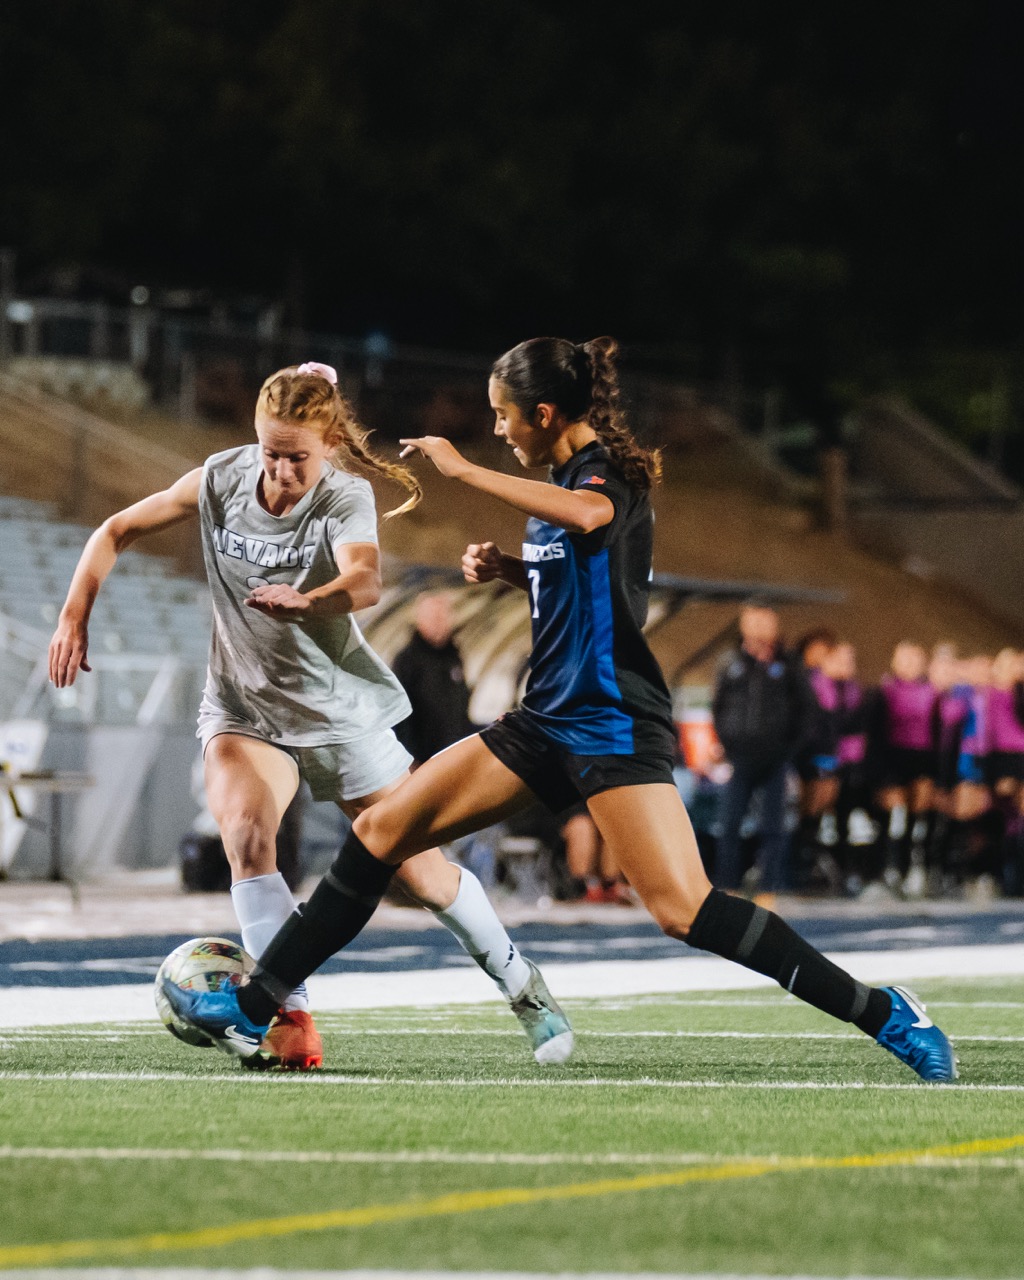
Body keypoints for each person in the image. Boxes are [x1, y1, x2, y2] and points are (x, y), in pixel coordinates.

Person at [164, 335, 956, 1083]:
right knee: (380, 833)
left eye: (504, 415)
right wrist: (511, 569)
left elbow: (591, 521)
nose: (497, 429)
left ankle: (886, 1013)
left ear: (545, 414)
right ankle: (259, 1002)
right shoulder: (552, 498)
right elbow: (585, 592)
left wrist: (463, 471)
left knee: (685, 910)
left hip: (612, 721)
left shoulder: (603, 476)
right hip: (543, 719)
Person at [48, 360, 572, 1070]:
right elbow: (115, 530)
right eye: (271, 452)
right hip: (244, 707)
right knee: (245, 833)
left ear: (327, 444)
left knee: (420, 876)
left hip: (337, 712)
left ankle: (521, 985)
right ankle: (289, 1021)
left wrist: (309, 599)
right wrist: (74, 615)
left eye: (297, 456)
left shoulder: (343, 496)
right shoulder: (220, 479)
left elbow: (364, 581)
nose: (282, 470)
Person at [711, 605, 814, 902]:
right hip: (740, 757)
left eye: (764, 622)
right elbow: (719, 706)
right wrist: (728, 742)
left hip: (775, 757)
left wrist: (789, 748)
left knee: (773, 826)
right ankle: (727, 886)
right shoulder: (731, 662)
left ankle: (770, 887)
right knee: (729, 823)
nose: (759, 629)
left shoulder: (789, 664)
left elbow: (806, 710)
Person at [391, 591, 474, 766]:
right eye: (433, 617)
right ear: (420, 620)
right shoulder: (407, 660)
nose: (439, 622)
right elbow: (400, 715)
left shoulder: (454, 657)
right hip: (423, 760)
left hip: (454, 755)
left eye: (443, 616)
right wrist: (410, 758)